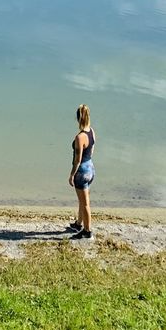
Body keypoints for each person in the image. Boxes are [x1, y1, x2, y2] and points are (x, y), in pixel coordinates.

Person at [67, 103, 95, 240]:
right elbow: (91, 151)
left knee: (85, 204)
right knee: (83, 200)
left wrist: (72, 174)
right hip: (90, 168)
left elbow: (77, 160)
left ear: (78, 118)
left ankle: (88, 231)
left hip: (82, 171)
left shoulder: (80, 137)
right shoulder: (92, 132)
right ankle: (78, 224)